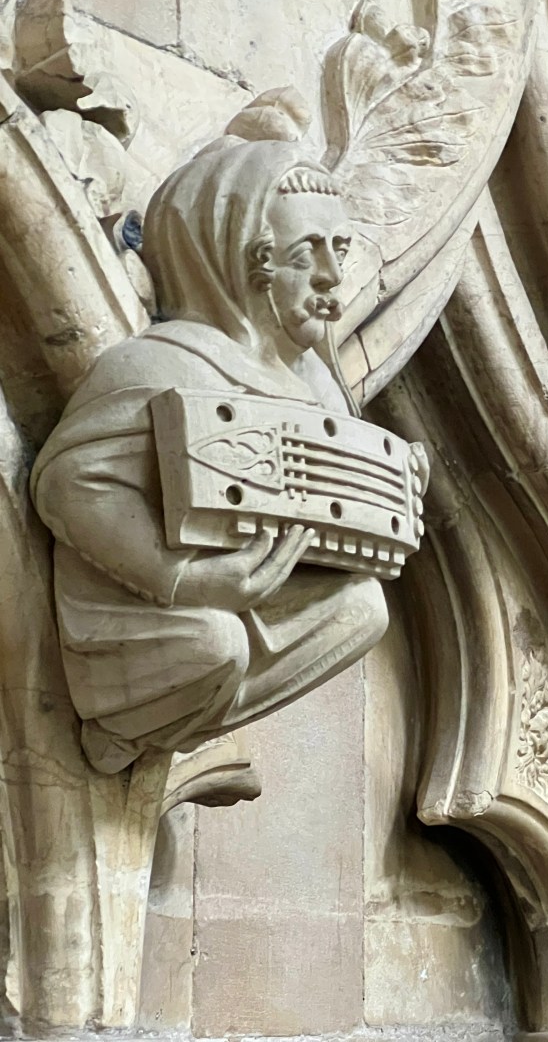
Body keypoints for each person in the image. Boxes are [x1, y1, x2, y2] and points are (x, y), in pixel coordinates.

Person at [31, 135, 410, 774]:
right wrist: (187, 581)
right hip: (140, 608)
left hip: (249, 593)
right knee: (215, 642)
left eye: (339, 249)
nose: (331, 276)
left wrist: (387, 483)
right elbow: (68, 485)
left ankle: (180, 717)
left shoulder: (314, 385)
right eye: (305, 254)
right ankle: (125, 721)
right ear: (241, 265)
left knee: (364, 610)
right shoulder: (164, 362)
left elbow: (323, 498)